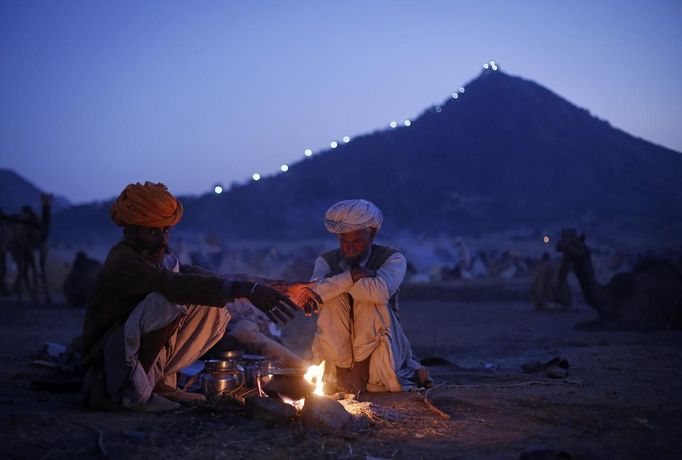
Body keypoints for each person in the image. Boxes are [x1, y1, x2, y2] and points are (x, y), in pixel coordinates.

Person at [81, 182, 318, 412]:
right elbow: (176, 285)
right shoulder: (123, 262)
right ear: (131, 232)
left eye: (165, 230)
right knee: (167, 301)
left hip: (129, 360)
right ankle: (134, 394)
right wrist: (248, 290)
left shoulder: (160, 261)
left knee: (214, 302)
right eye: (152, 231)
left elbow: (210, 278)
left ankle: (157, 384)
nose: (163, 240)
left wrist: (278, 288)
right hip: (106, 376)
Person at [310, 199, 430, 393]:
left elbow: (379, 292)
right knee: (332, 300)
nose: (349, 248)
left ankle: (360, 371)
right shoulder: (326, 260)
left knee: (369, 300)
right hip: (335, 350)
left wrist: (336, 283)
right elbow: (314, 293)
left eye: (356, 242)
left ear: (371, 234)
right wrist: (352, 276)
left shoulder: (393, 258)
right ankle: (342, 371)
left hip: (380, 346)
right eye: (344, 242)